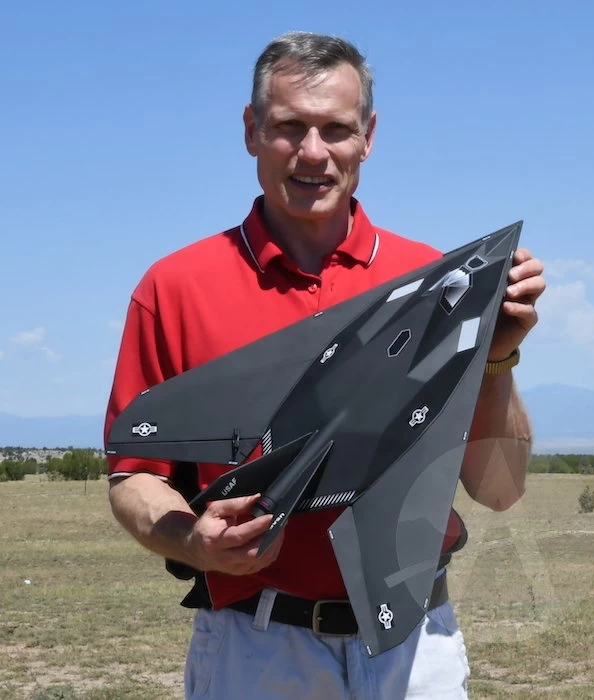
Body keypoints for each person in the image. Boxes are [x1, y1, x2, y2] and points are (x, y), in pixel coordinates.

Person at [105, 31, 546, 700]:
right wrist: (195, 541)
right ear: (251, 130)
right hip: (257, 647)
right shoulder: (175, 289)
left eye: (336, 129)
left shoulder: (436, 282)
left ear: (368, 137)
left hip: (413, 647)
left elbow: (501, 489)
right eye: (289, 126)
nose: (313, 152)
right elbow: (135, 475)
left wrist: (499, 356)